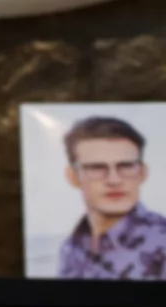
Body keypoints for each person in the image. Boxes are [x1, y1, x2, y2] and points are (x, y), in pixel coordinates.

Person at [57, 116, 166, 279]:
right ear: (73, 176)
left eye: (126, 166)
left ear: (143, 173)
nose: (114, 180)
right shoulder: (71, 247)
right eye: (97, 167)